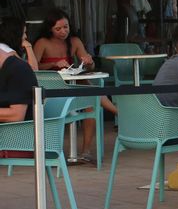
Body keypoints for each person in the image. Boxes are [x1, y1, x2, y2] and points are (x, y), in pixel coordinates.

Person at [34, 9, 117, 162]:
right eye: (58, 29)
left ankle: (85, 152)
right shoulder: (42, 43)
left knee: (91, 103)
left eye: (66, 27)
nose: (63, 31)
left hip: (72, 83)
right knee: (92, 92)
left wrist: (89, 62)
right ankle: (118, 111)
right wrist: (53, 64)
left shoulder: (74, 41)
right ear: (50, 29)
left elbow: (88, 68)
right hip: (50, 86)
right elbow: (34, 67)